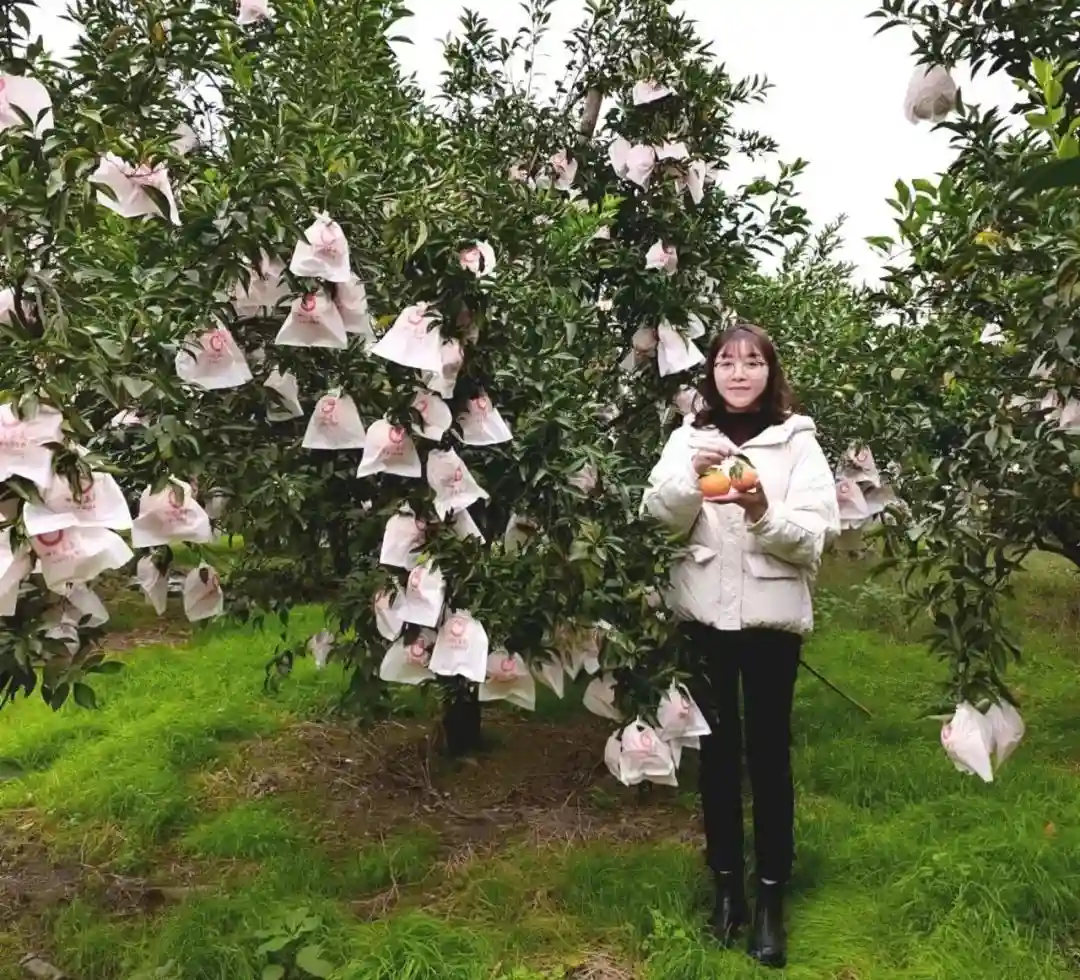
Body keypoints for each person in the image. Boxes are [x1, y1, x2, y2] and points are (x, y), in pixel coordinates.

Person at [642, 321, 841, 969]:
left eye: (752, 362)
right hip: (703, 620)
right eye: (726, 362)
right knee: (717, 755)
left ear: (769, 373)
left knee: (769, 756)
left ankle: (771, 898)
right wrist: (683, 483)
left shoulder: (797, 443)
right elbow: (657, 519)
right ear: (711, 373)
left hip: (769, 624)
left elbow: (814, 537)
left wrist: (760, 511)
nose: (738, 373)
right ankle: (725, 887)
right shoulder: (688, 438)